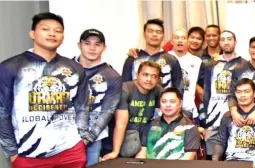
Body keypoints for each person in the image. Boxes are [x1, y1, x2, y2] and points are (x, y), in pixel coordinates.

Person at [0, 12, 90, 167]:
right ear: (32, 34)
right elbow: (2, 111)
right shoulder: (10, 67)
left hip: (71, 152)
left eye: (58, 30)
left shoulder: (75, 68)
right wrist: (12, 153)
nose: (52, 33)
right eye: (45, 29)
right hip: (28, 155)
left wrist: (82, 141)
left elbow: (82, 107)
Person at [74, 29, 123, 166]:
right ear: (79, 45)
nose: (92, 48)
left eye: (97, 44)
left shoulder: (112, 75)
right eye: (87, 43)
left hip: (93, 138)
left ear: (104, 47)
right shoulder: (65, 67)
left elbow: (108, 111)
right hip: (63, 136)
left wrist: (87, 139)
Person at [198, 30, 246, 159]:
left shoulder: (244, 65)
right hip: (212, 120)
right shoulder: (210, 65)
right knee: (212, 158)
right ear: (219, 43)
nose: (226, 42)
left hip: (235, 119)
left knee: (233, 157)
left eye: (229, 39)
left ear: (235, 42)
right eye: (223, 39)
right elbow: (198, 85)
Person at [102, 61, 163, 160]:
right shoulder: (126, 89)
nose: (149, 79)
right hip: (119, 142)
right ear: (137, 75)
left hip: (142, 142)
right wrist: (115, 152)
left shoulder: (158, 91)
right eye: (145, 74)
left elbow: (172, 113)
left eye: (154, 76)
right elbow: (121, 123)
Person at [212, 79, 255, 161]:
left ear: (254, 93)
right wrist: (214, 161)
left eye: (246, 91)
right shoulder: (228, 116)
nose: (242, 95)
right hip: (232, 162)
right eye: (239, 92)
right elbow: (221, 142)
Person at [135, 88, 200, 160]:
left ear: (180, 103)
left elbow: (188, 158)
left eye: (172, 101)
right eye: (164, 101)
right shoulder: (150, 124)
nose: (167, 105)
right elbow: (142, 152)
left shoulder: (190, 128)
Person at [121, 19, 183, 91]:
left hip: (164, 101)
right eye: (150, 31)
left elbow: (179, 87)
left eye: (158, 32)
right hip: (137, 101)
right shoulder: (133, 58)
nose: (154, 34)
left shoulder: (171, 60)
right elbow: (125, 87)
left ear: (163, 36)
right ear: (144, 34)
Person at [169, 29, 204, 119]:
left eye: (183, 38)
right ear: (171, 41)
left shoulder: (197, 61)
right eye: (177, 38)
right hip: (167, 111)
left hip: (189, 111)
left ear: (188, 41)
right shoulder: (163, 59)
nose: (180, 40)